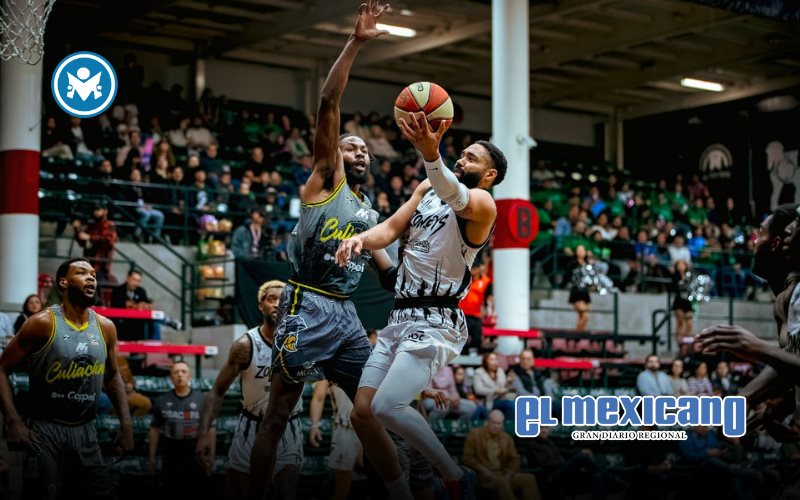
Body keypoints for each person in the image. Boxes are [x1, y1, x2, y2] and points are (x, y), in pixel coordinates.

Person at [248, 4, 396, 497]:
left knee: (369, 411)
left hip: (346, 315)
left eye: (366, 151)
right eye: (353, 147)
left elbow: (389, 274)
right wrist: (356, 43)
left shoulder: (369, 213)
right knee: (277, 416)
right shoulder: (324, 181)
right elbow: (329, 103)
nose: (361, 154)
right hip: (306, 302)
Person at [337, 110, 508, 497]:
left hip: (436, 318)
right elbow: (392, 227)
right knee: (362, 412)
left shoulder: (483, 204)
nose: (462, 159)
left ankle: (454, 473)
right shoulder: (425, 191)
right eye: (459, 154)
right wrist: (362, 240)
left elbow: (454, 193)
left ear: (490, 175)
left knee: (385, 408)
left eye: (471, 158)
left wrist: (432, 154)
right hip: (399, 314)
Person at [0, 258, 133, 499]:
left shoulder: (105, 327)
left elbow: (113, 377)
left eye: (93, 274)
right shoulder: (42, 324)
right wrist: (12, 420)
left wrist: (126, 424)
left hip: (86, 429)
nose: (91, 277)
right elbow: (1, 369)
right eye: (82, 273)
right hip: (45, 430)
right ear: (63, 282)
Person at [697, 204, 800, 440]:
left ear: (777, 243)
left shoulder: (795, 293)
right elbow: (791, 363)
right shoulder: (785, 298)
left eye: (760, 233)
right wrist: (756, 400)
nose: (754, 241)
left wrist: (756, 347)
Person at [195, 280, 303, 500]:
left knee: (286, 490)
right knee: (238, 492)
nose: (277, 303)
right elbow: (217, 392)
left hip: (288, 425)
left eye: (282, 299)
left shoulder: (301, 342)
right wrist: (204, 433)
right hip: (252, 425)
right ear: (260, 306)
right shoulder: (245, 345)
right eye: (271, 299)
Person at [149, 361, 215, 499]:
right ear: (171, 378)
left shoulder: (202, 399)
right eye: (176, 372)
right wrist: (152, 457)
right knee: (171, 490)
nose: (180, 375)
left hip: (196, 450)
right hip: (171, 452)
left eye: (183, 371)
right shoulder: (161, 400)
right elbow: (154, 429)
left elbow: (210, 429)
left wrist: (211, 456)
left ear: (190, 376)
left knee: (196, 490)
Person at [462, 410, 540, 500]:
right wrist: (483, 470)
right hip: (483, 477)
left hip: (503, 473)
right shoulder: (475, 435)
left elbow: (514, 459)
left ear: (502, 424)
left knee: (529, 479)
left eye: (498, 423)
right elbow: (468, 458)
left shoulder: (506, 438)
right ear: (488, 422)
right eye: (493, 423)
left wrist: (509, 474)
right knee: (501, 481)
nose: (496, 426)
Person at [309, 381, 360, 500]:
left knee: (373, 482)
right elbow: (318, 397)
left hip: (372, 426)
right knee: (343, 484)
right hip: (345, 427)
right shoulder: (332, 366)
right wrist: (314, 426)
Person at [74, 202, 118, 283]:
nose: (96, 212)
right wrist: (77, 230)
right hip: (89, 264)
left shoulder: (109, 225)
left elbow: (109, 241)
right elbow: (83, 242)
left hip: (101, 266)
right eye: (94, 210)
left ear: (105, 211)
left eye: (98, 209)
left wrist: (90, 237)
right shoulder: (92, 226)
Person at [110, 269, 154, 340]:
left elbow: (145, 305)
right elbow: (117, 305)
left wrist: (142, 306)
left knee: (154, 323)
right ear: (127, 278)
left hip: (137, 323)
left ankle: (152, 347)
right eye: (134, 280)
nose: (136, 283)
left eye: (138, 281)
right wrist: (135, 306)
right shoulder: (118, 290)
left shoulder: (141, 291)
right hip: (121, 323)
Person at [459, 260, 492, 353]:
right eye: (471, 269)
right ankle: (463, 356)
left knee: (477, 339)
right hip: (463, 314)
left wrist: (487, 309)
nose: (473, 271)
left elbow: (488, 297)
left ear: (478, 269)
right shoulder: (463, 279)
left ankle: (473, 355)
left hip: (476, 315)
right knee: (462, 338)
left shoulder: (485, 282)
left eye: (474, 268)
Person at [473, 352, 515, 419]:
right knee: (509, 404)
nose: (495, 362)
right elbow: (478, 390)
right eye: (491, 359)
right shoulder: (479, 372)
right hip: (489, 400)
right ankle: (509, 426)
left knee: (516, 402)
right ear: (486, 361)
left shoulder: (500, 371)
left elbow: (503, 386)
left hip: (502, 397)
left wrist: (509, 382)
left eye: (496, 359)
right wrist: (495, 391)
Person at [671, 259, 694, 354]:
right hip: (678, 300)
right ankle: (679, 340)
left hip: (687, 300)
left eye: (682, 265)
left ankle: (687, 341)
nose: (681, 267)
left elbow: (692, 287)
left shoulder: (689, 276)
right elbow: (673, 287)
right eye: (679, 265)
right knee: (680, 321)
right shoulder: (674, 276)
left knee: (689, 321)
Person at [567, 245, 591, 331]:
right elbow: (568, 276)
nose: (581, 252)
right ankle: (577, 336)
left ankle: (578, 336)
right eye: (579, 250)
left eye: (582, 250)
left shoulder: (587, 264)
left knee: (581, 317)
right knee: (585, 316)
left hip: (585, 292)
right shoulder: (572, 264)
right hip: (576, 291)